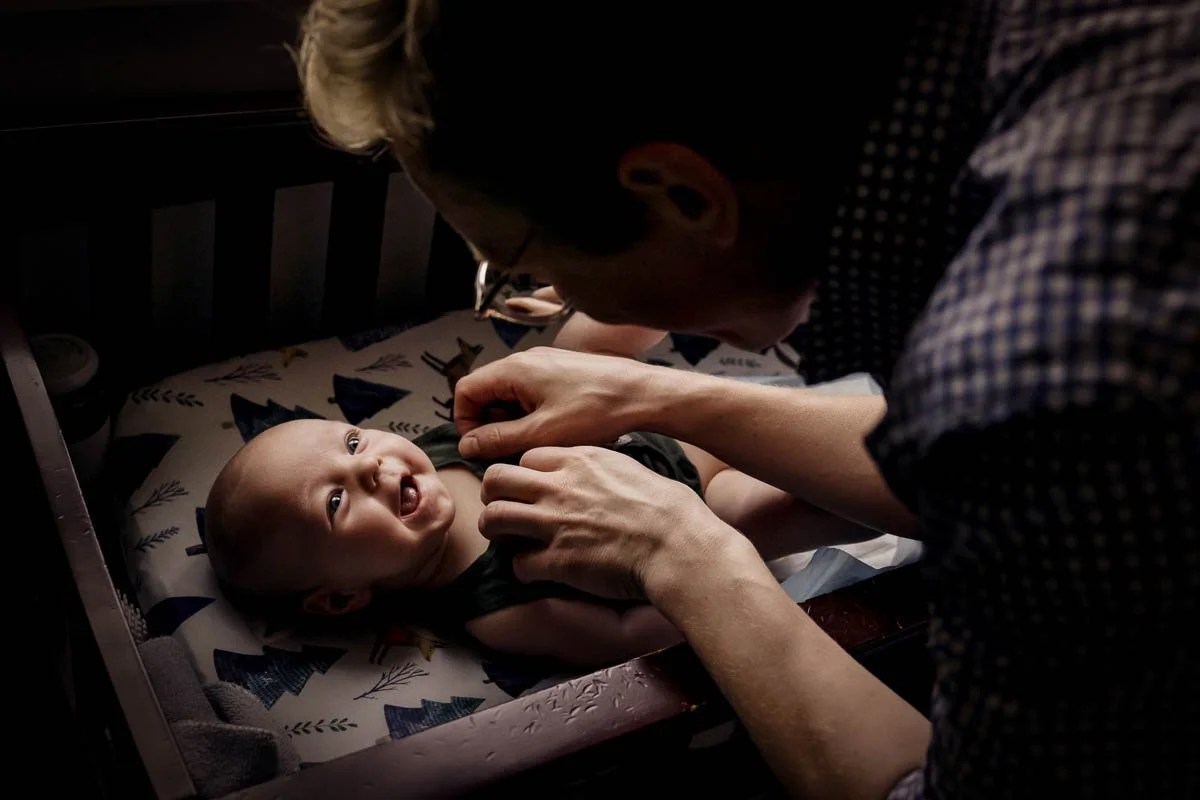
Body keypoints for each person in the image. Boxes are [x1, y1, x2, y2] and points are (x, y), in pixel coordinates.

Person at [296, 1, 1199, 797]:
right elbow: (962, 477)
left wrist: (679, 547)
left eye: (527, 268)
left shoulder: (1044, 377)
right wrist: (654, 392)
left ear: (683, 194)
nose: (557, 302)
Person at [204, 320, 872, 667]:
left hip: (665, 439)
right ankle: (867, 503)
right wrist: (712, 575)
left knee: (577, 348)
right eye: (336, 503)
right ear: (342, 596)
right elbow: (627, 634)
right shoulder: (497, 610)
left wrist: (572, 365)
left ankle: (643, 296)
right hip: (698, 529)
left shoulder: (451, 448)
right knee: (777, 509)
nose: (371, 468)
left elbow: (533, 412)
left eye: (353, 443)